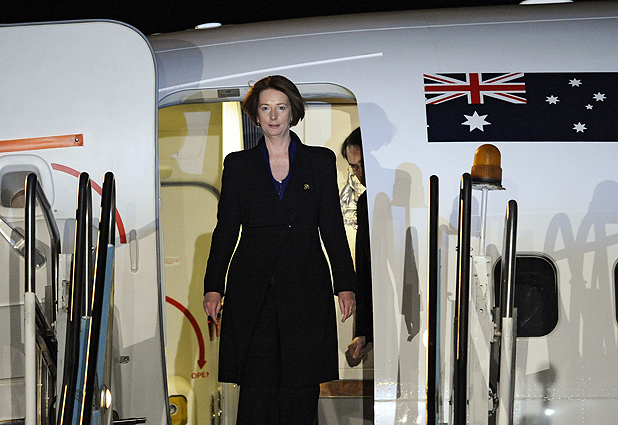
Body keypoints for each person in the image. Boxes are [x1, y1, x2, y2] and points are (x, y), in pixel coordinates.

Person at [202, 75, 356, 425]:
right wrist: (213, 287)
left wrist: (345, 285)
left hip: (306, 287)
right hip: (252, 290)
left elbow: (332, 227)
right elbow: (225, 230)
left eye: (281, 107)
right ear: (256, 115)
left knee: (302, 390)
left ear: (293, 112)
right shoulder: (238, 165)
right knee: (256, 392)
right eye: (266, 108)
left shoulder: (319, 161)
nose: (273, 116)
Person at [341, 128, 373, 360]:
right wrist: (362, 334)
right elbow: (364, 273)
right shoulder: (364, 204)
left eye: (362, 165)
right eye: (354, 167)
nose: (360, 174)